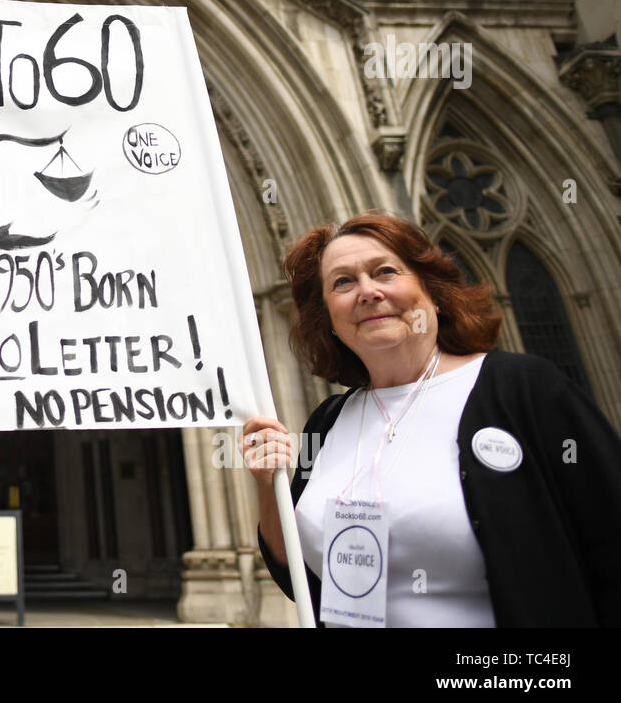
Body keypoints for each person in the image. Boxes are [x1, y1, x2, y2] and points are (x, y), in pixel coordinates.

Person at [242, 212, 621, 627]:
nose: (367, 292)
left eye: (385, 272)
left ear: (432, 290)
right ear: (328, 318)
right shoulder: (327, 422)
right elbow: (297, 572)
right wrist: (267, 483)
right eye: (343, 282)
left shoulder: (525, 392)